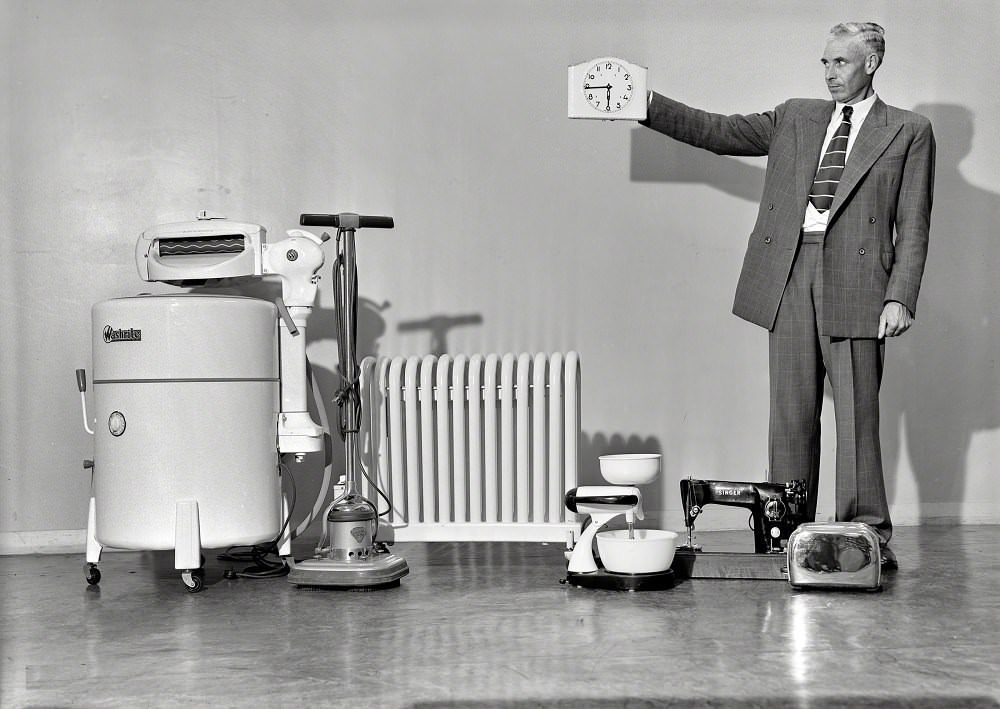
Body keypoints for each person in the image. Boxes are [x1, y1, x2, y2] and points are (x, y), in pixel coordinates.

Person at [640, 22, 935, 568]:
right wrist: (645, 103)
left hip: (860, 280)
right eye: (824, 63)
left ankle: (865, 538)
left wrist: (901, 296)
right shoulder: (796, 116)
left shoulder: (909, 131)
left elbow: (912, 227)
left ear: (871, 63)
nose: (829, 74)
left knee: (857, 416)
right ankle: (787, 530)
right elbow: (718, 130)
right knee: (790, 414)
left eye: (841, 63)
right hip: (789, 270)